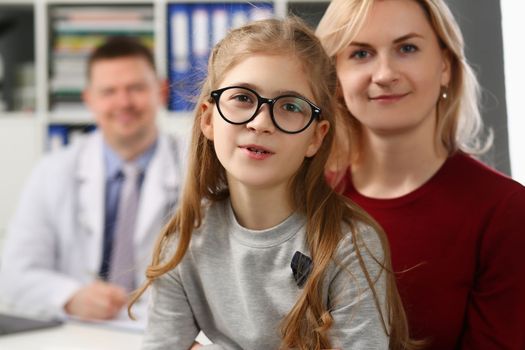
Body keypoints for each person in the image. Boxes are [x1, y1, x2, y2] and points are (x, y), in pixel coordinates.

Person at [130, 17, 420, 350]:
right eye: (242, 98)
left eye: (290, 106)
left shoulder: (349, 245)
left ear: (316, 136)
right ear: (209, 119)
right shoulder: (183, 240)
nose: (260, 122)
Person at [316, 0, 525, 349]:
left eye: (407, 48)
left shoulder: (505, 211)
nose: (384, 75)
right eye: (361, 54)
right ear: (334, 75)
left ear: (444, 65)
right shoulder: (310, 198)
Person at [0, 37, 185, 322]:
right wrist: (70, 296)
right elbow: (13, 274)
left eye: (135, 88)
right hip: (79, 333)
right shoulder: (54, 171)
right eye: (109, 91)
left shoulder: (197, 170)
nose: (123, 102)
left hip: (169, 331)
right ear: (90, 100)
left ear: (160, 91)